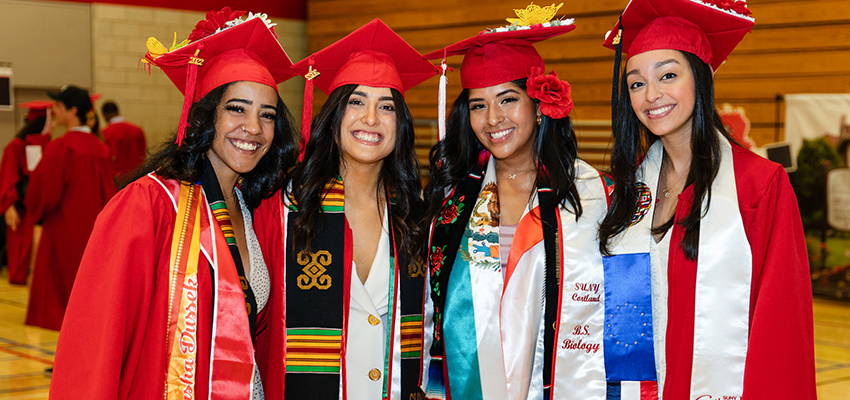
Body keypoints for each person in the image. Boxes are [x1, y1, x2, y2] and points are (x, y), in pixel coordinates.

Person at [49, 8, 299, 399]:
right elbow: (96, 340)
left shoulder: (255, 210)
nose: (253, 127)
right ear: (205, 116)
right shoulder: (150, 206)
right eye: (236, 108)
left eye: (266, 115)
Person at [597, 0, 816, 398]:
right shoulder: (626, 191)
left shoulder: (759, 186)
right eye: (636, 83)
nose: (651, 95)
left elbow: (782, 324)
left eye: (668, 75)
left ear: (701, 79)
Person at [420, 4, 613, 399]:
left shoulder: (593, 193)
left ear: (538, 104)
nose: (493, 119)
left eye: (507, 99)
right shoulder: (449, 200)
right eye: (478, 105)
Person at [252, 18, 437, 400]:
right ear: (333, 115)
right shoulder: (281, 209)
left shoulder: (416, 216)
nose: (371, 118)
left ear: (400, 124)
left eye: (386, 106)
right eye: (356, 101)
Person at [22, 85, 116, 331]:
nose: (54, 109)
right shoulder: (102, 148)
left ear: (72, 110)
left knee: (61, 294)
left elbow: (43, 193)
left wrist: (33, 208)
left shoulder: (62, 147)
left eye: (58, 105)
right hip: (95, 234)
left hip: (63, 229)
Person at [0, 100, 51, 284]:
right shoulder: (16, 146)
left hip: (37, 207)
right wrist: (9, 206)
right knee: (20, 246)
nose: (53, 125)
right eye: (50, 121)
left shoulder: (47, 144)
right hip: (20, 208)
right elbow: (8, 176)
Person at [101, 100, 147, 178]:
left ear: (105, 115)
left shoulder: (105, 133)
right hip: (137, 177)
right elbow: (143, 155)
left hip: (118, 179)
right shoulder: (137, 130)